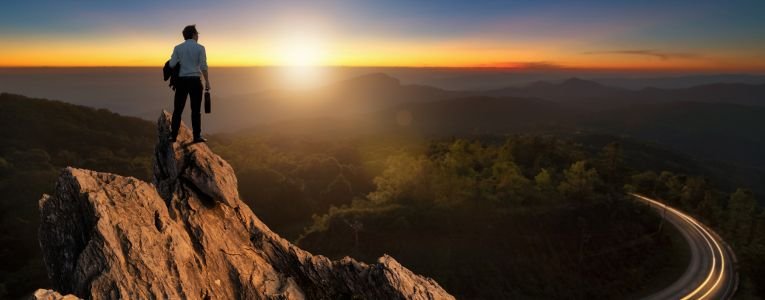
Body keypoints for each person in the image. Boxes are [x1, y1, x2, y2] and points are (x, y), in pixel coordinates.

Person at [168, 24, 210, 143]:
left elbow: (171, 64)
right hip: (195, 82)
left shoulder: (178, 48)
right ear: (193, 35)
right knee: (196, 110)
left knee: (178, 109)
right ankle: (197, 136)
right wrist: (207, 81)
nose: (198, 37)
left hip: (181, 82)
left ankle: (173, 135)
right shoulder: (200, 48)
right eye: (197, 34)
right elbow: (203, 66)